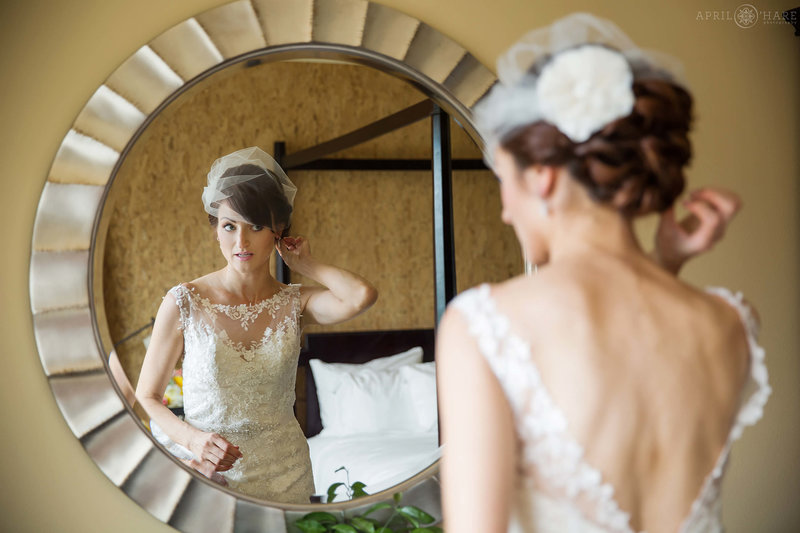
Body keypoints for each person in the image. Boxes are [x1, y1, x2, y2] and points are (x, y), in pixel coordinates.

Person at [437, 13, 769, 533]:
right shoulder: (729, 322)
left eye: (504, 178)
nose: (505, 211)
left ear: (542, 178)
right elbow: (641, 356)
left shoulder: (484, 325)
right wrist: (667, 266)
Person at [135, 147, 378, 503]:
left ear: (278, 231)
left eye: (257, 226)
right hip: (211, 473)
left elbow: (361, 295)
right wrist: (193, 440)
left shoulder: (295, 303)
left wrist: (306, 265)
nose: (241, 242)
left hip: (287, 473)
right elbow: (147, 396)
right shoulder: (184, 301)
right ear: (216, 230)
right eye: (229, 226)